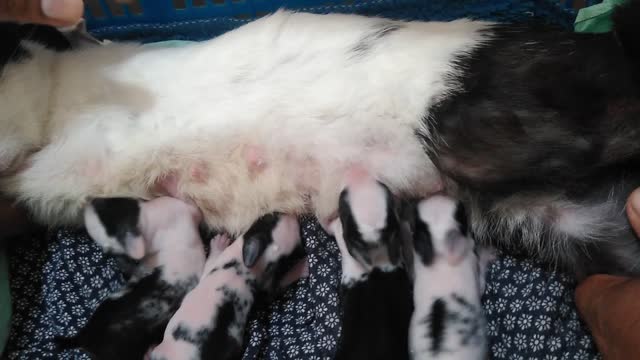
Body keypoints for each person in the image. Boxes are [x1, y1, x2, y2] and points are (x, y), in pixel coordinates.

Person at [0, 1, 638, 357]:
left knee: (538, 132)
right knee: (582, 228)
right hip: (403, 141)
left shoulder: (38, 86)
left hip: (393, 87)